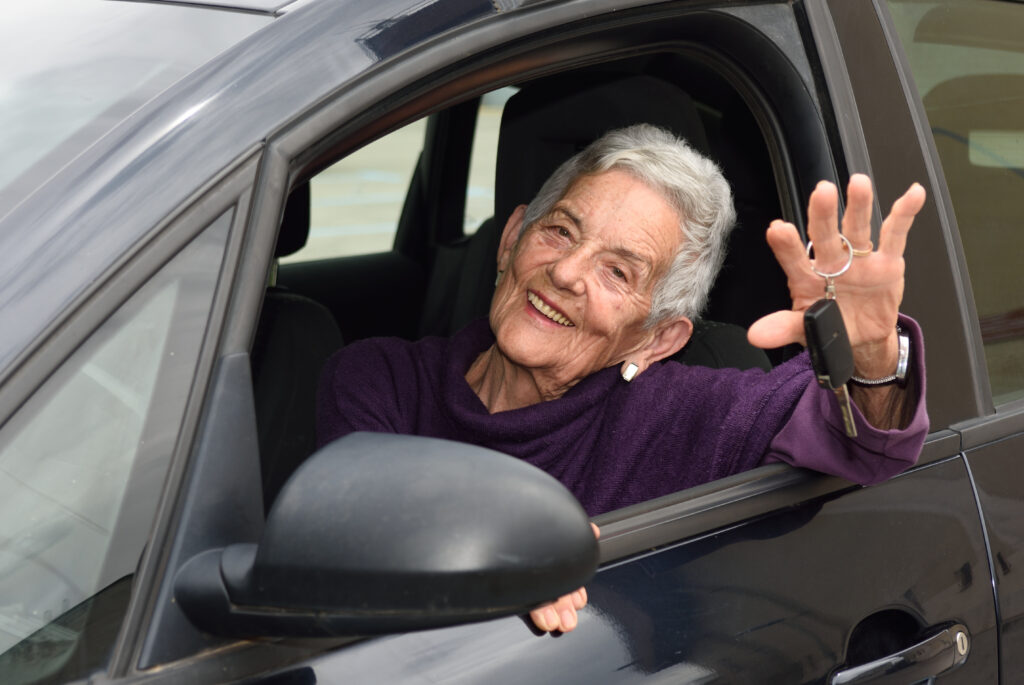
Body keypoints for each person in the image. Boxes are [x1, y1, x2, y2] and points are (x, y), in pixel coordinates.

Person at [316, 124, 929, 634]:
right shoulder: (380, 378)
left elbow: (857, 436)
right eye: (560, 231)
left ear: (659, 338)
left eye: (618, 272)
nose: (566, 272)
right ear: (511, 239)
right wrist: (490, 533)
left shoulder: (678, 417)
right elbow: (350, 526)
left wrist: (871, 352)